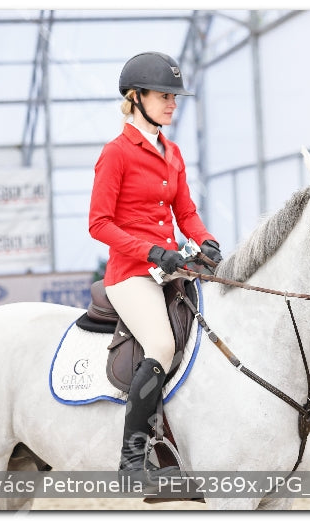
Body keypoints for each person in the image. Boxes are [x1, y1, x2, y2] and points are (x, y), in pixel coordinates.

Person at [89, 51, 222, 477]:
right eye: (164, 95)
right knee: (162, 346)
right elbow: (99, 223)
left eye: (174, 97)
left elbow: (186, 212)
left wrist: (206, 240)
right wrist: (151, 252)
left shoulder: (173, 151)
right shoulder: (116, 153)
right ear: (136, 97)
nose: (172, 103)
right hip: (131, 274)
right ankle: (133, 456)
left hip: (170, 268)